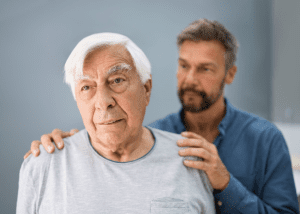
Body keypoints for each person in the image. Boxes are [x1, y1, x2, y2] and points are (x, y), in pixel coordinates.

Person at [24, 19, 299, 213]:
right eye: (183, 66)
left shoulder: (265, 139)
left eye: (204, 69)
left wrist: (226, 184)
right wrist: (71, 147)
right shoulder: (150, 135)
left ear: (230, 74)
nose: (189, 79)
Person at [17, 32, 215, 213]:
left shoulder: (191, 161)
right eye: (86, 87)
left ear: (146, 89)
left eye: (117, 80)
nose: (103, 103)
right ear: (77, 100)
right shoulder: (43, 166)